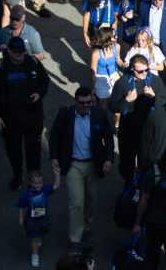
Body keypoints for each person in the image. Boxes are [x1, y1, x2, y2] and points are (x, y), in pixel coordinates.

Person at [49, 87, 116, 256]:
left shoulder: (99, 115)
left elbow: (108, 138)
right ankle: (76, 240)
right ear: (75, 101)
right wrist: (54, 157)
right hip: (73, 165)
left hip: (93, 164)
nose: (85, 106)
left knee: (91, 199)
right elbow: (54, 136)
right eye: (82, 103)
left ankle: (87, 228)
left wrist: (109, 159)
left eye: (88, 103)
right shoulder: (65, 114)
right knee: (77, 203)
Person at [0, 38, 51, 191]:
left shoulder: (33, 63)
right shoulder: (1, 68)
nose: (19, 56)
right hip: (9, 119)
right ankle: (18, 173)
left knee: (33, 149)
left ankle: (34, 178)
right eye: (15, 53)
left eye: (21, 52)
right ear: (8, 51)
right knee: (13, 149)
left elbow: (45, 81)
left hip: (32, 116)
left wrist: (39, 94)